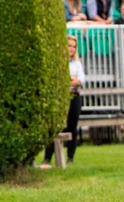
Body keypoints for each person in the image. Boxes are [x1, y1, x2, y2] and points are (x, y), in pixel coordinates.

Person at [41, 35, 84, 167]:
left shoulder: (77, 63)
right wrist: (71, 79)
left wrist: (71, 80)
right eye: (69, 45)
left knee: (72, 126)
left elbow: (81, 81)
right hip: (61, 96)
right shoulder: (58, 62)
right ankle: (48, 157)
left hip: (74, 96)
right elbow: (60, 79)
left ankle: (70, 156)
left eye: (74, 46)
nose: (71, 49)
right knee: (55, 126)